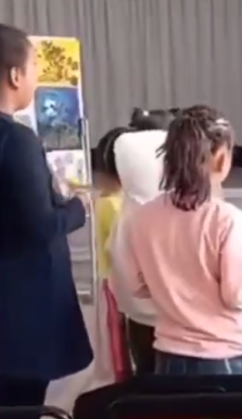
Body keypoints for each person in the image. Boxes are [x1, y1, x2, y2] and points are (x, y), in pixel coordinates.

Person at [123, 105, 242, 375]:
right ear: (220, 158)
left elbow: (137, 285)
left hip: (168, 357)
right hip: (225, 358)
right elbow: (239, 295)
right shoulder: (227, 220)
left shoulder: (141, 217)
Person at [0, 23, 92, 407]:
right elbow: (41, 227)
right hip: (19, 314)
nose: (36, 77)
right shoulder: (16, 141)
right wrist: (77, 208)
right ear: (15, 75)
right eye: (35, 66)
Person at [110, 108, 176, 375]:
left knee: (145, 371)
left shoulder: (128, 212)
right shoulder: (176, 211)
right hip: (180, 319)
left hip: (137, 312)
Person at [91, 126, 131, 381]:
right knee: (119, 334)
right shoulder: (112, 204)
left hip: (120, 279)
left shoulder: (116, 200)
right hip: (117, 281)